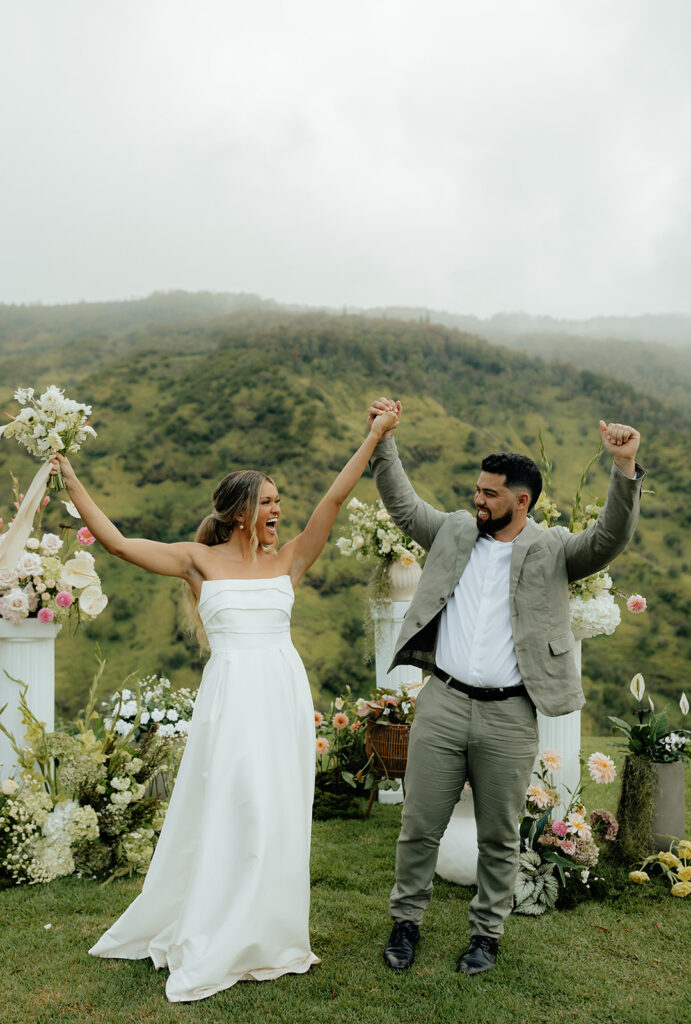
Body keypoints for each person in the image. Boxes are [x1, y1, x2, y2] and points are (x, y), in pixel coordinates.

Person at [49, 403, 399, 1003]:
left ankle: (268, 933)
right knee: (237, 803)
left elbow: (333, 503)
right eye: (267, 502)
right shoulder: (198, 561)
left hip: (281, 695)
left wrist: (374, 435)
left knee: (278, 809)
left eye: (279, 502)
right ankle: (220, 926)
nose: (277, 511)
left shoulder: (289, 559)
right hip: (231, 700)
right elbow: (118, 544)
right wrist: (73, 479)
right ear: (240, 512)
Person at [366, 397, 645, 976]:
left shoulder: (555, 550)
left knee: (499, 836)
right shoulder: (450, 532)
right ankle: (405, 924)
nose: (478, 499)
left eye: (491, 493)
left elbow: (610, 537)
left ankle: (486, 934)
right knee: (419, 827)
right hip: (441, 701)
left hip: (510, 715)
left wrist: (623, 468)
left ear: (522, 500)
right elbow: (400, 503)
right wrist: (384, 438)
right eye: (478, 489)